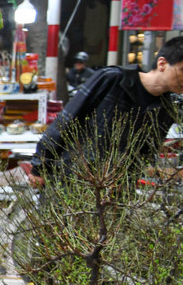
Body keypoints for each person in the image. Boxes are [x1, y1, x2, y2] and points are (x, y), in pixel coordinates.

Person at [32, 38, 183, 179]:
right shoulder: (113, 79)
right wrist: (39, 167)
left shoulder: (166, 110)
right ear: (162, 64)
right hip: (72, 179)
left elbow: (145, 155)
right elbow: (65, 121)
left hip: (116, 189)